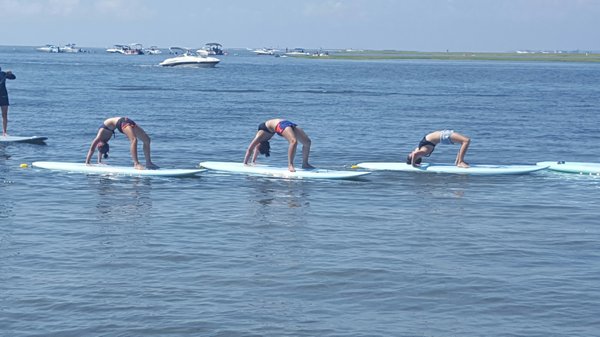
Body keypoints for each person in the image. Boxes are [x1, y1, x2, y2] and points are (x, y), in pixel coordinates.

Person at [85, 117, 159, 170]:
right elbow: (100, 150)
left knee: (147, 140)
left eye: (99, 146)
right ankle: (136, 164)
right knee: (134, 140)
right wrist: (99, 162)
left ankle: (148, 163)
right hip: (123, 123)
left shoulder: (99, 136)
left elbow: (92, 149)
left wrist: (87, 162)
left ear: (98, 145)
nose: (99, 145)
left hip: (124, 121)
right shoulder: (104, 141)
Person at [243, 118, 314, 172]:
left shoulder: (260, 135)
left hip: (285, 123)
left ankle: (305, 164)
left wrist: (245, 162)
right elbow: (255, 148)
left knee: (307, 142)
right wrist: (253, 161)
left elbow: (250, 149)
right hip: (281, 125)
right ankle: (290, 165)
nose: (257, 148)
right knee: (293, 141)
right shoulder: (261, 139)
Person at [0, 66, 16, 136]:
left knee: (4, 114)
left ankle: (4, 132)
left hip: (3, 96)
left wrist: (10, 74)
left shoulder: (3, 74)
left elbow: (13, 77)